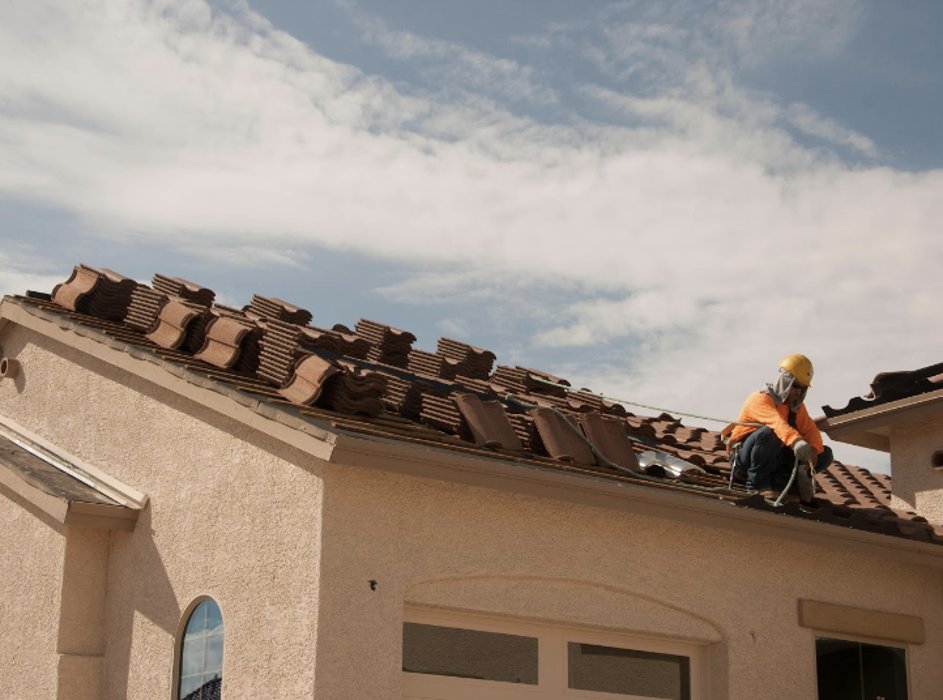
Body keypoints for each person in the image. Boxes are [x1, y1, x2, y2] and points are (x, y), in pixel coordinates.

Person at [726, 354, 833, 500]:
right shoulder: (760, 399)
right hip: (745, 459)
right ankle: (756, 485)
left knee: (825, 454)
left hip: (774, 460)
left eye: (803, 388)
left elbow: (811, 431)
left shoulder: (796, 408)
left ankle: (790, 487)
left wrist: (813, 450)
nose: (799, 392)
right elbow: (777, 424)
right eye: (796, 385)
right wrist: (797, 442)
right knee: (770, 433)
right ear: (785, 381)